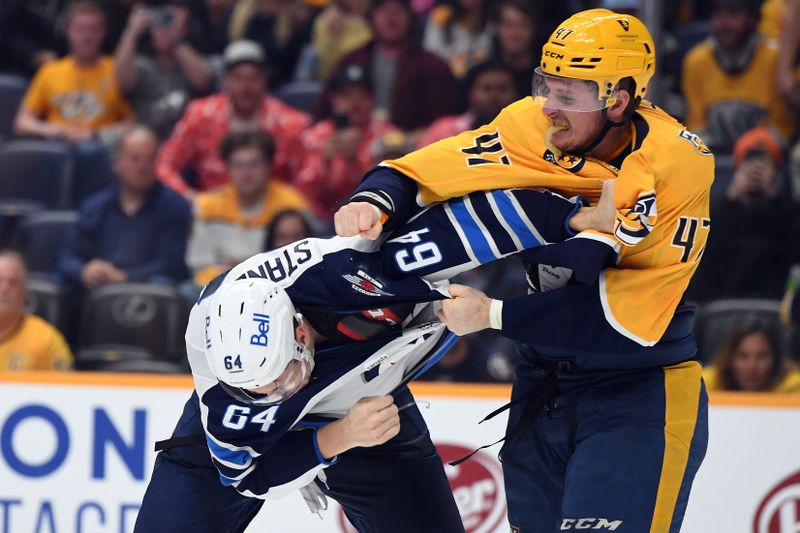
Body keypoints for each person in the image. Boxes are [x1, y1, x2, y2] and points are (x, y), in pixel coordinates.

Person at [334, 9, 713, 531]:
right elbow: (417, 172)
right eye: (544, 85)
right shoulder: (529, 126)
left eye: (568, 95)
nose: (548, 108)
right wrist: (373, 201)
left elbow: (620, 324)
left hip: (635, 392)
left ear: (618, 99)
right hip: (540, 386)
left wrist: (492, 314)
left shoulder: (674, 166)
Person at [134, 177, 615, 532]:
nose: (279, 395)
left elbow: (465, 229)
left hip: (370, 404)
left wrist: (570, 218)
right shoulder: (231, 396)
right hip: (345, 421)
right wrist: (332, 439)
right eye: (264, 391)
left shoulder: (354, 269)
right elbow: (245, 472)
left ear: (301, 329)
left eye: (282, 379)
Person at [156, 40, 310, 199]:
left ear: (264, 81)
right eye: (239, 78)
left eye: (253, 79)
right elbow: (164, 165)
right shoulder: (200, 115)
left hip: (272, 213)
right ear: (226, 82)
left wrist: (287, 209)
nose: (246, 87)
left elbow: (305, 178)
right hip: (212, 212)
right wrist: (190, 199)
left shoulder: (291, 123)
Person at [13, 1, 133, 202]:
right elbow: (22, 123)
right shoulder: (50, 71)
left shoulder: (116, 70)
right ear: (68, 31)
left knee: (91, 153)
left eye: (93, 30)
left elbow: (132, 126)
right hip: (55, 150)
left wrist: (93, 135)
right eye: (81, 29)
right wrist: (51, 130)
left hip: (99, 152)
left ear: (104, 32)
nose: (87, 36)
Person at [59, 126, 191, 289]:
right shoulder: (95, 207)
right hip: (97, 292)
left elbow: (172, 266)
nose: (143, 167)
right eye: (135, 159)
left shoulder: (175, 206)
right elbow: (67, 258)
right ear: (116, 163)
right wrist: (84, 271)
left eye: (150, 159)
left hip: (147, 295)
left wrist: (125, 277)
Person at [186, 131, 310, 289]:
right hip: (218, 287)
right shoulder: (206, 206)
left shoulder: (291, 204)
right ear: (227, 168)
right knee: (186, 291)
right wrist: (232, 275)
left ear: (269, 166)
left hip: (274, 288)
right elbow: (198, 265)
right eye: (238, 165)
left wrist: (243, 270)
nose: (246, 173)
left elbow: (302, 261)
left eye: (254, 164)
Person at [689, 127, 799, 301]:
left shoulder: (790, 215)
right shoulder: (712, 213)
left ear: (777, 173)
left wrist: (773, 202)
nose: (756, 172)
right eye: (748, 163)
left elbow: (789, 257)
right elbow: (704, 261)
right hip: (719, 304)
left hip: (772, 304)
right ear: (736, 170)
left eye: (765, 164)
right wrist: (731, 200)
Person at [318, 0, 457, 133]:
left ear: (410, 17)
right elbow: (324, 114)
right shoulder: (351, 61)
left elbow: (444, 123)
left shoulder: (434, 67)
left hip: (415, 150)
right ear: (372, 16)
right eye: (384, 10)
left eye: (398, 11)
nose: (391, 18)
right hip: (357, 146)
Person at [682, 0, 795, 152]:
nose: (724, 23)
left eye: (733, 13)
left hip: (765, 159)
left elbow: (782, 129)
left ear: (753, 18)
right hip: (713, 158)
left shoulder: (775, 58)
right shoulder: (695, 61)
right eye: (717, 14)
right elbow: (696, 127)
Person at [294, 64, 398, 220]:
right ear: (333, 100)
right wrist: (325, 163)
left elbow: (392, 188)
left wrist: (352, 160)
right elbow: (302, 192)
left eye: (362, 95)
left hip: (377, 217)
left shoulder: (388, 137)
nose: (355, 103)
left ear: (373, 100)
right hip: (323, 222)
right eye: (347, 95)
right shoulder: (314, 137)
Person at [114, 3, 214, 139]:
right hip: (148, 141)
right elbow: (123, 81)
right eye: (157, 24)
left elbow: (203, 81)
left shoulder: (193, 61)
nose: (161, 30)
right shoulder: (143, 65)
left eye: (167, 22)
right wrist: (132, 32)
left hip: (185, 139)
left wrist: (177, 42)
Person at [0, 250, 72, 371]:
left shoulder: (47, 340)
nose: (4, 288)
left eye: (13, 282)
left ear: (25, 292)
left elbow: (67, 387)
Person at [419, 61, 517, 147]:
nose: (494, 95)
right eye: (486, 88)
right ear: (470, 93)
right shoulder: (443, 130)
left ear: (516, 93)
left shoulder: (523, 133)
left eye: (502, 88)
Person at [703, 319, 800, 393]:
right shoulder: (707, 383)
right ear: (728, 358)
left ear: (775, 359)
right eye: (742, 356)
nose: (752, 367)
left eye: (762, 356)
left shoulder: (793, 386)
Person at [422, 0, 494, 78]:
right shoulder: (442, 14)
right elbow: (432, 52)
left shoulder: (493, 18)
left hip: (482, 75)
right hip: (445, 75)